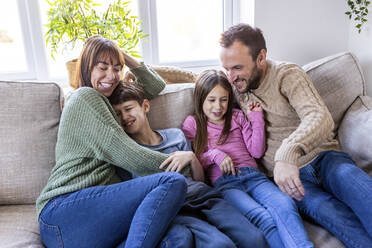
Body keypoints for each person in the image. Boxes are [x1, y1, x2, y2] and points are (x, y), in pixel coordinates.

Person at [219, 23, 372, 248]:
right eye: (226, 69)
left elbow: (319, 116)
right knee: (334, 216)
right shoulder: (235, 87)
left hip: (325, 159)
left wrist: (287, 153)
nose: (231, 77)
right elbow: (203, 88)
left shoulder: (286, 75)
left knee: (358, 188)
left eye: (237, 68)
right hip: (292, 183)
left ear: (261, 57)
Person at [36, 35, 188, 248]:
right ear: (87, 67)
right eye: (103, 67)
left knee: (178, 237)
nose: (111, 75)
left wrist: (120, 53)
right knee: (173, 181)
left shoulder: (108, 99)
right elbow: (132, 157)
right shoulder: (85, 98)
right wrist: (185, 163)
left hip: (98, 214)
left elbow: (155, 85)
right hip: (64, 212)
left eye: (117, 68)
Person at [108, 82, 268, 248]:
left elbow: (200, 180)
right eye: (118, 114)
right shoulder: (126, 153)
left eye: (128, 109)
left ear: (145, 106)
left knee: (254, 239)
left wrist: (191, 157)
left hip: (205, 197)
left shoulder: (175, 135)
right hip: (176, 208)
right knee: (220, 245)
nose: (125, 117)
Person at [182, 69, 313, 248]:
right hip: (226, 184)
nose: (218, 107)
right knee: (263, 217)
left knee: (285, 204)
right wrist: (214, 155)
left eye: (223, 100)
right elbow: (195, 162)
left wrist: (257, 119)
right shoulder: (193, 123)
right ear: (200, 99)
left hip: (254, 177)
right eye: (211, 100)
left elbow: (257, 152)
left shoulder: (236, 116)